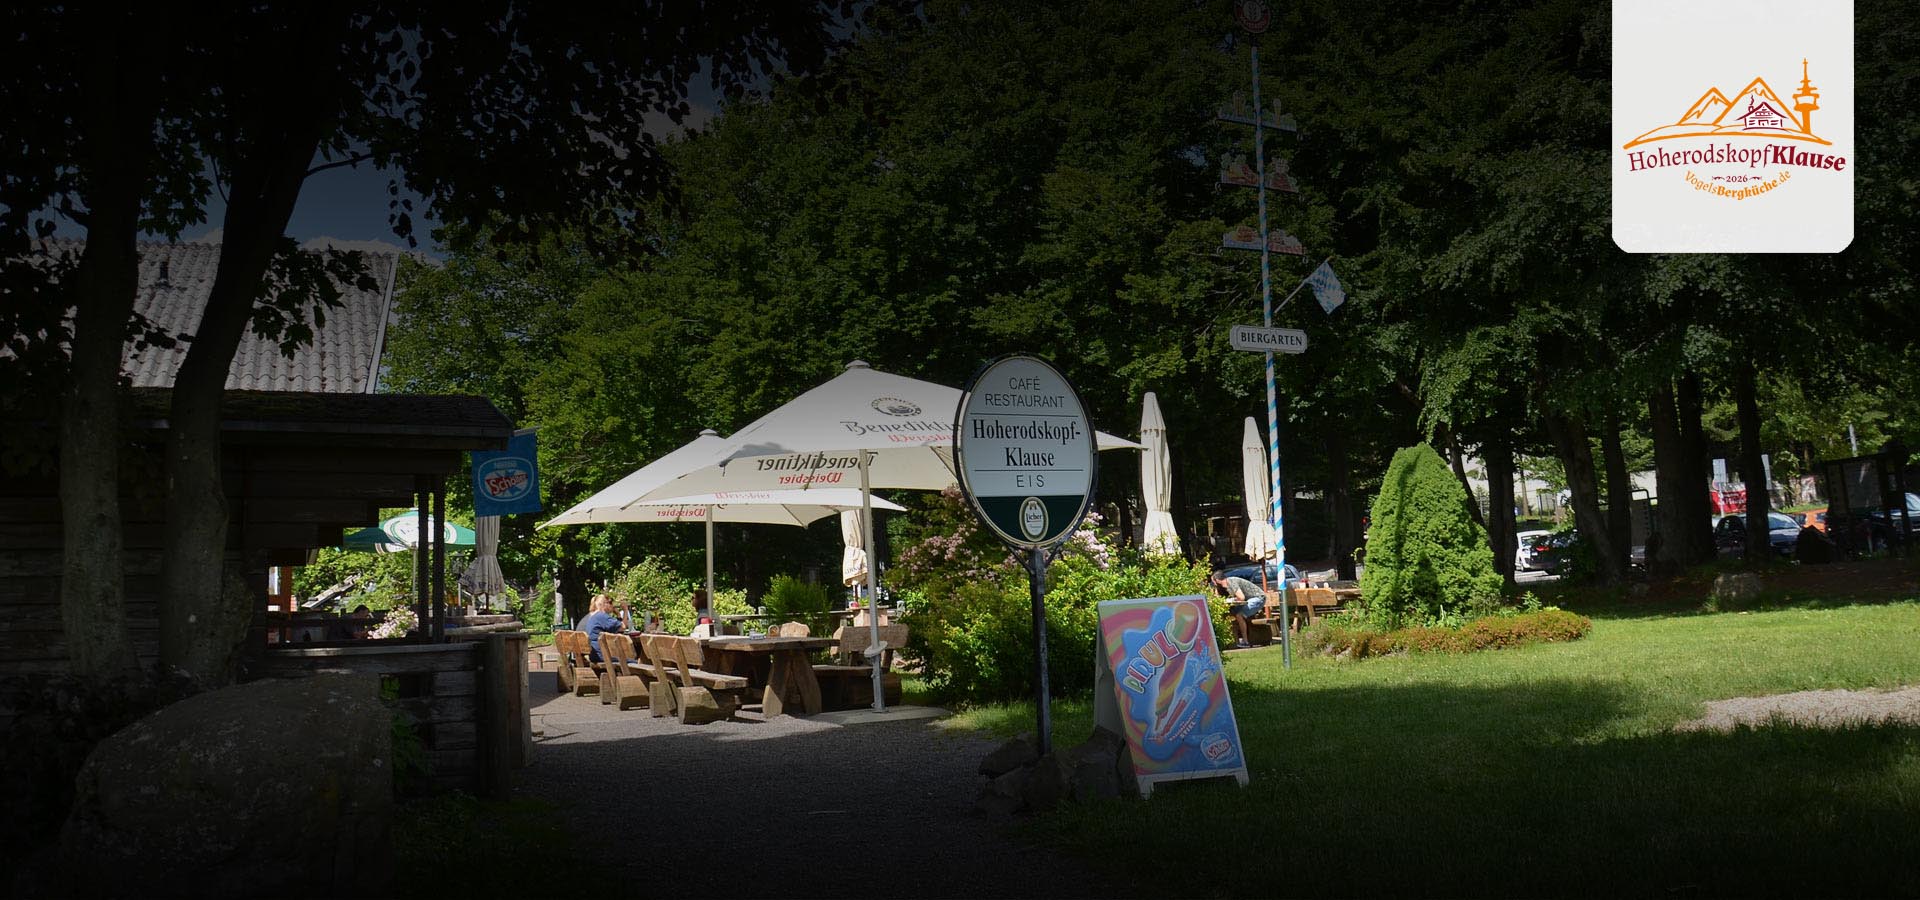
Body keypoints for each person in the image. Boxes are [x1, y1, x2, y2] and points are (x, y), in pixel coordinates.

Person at [1211, 571, 1266, 649]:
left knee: (1239, 615)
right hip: (1248, 600)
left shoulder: (1231, 582)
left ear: (1217, 580)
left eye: (1213, 581)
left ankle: (1245, 642)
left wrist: (1231, 599)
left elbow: (1241, 597)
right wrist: (1216, 590)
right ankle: (1229, 641)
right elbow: (1218, 599)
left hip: (1258, 598)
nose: (1213, 583)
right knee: (1230, 613)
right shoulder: (1223, 587)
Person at [574, 594, 625, 663]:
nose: (612, 605)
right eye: (610, 603)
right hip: (602, 656)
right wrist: (624, 611)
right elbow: (623, 627)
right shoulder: (601, 616)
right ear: (604, 604)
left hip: (593, 655)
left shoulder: (592, 617)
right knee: (632, 660)